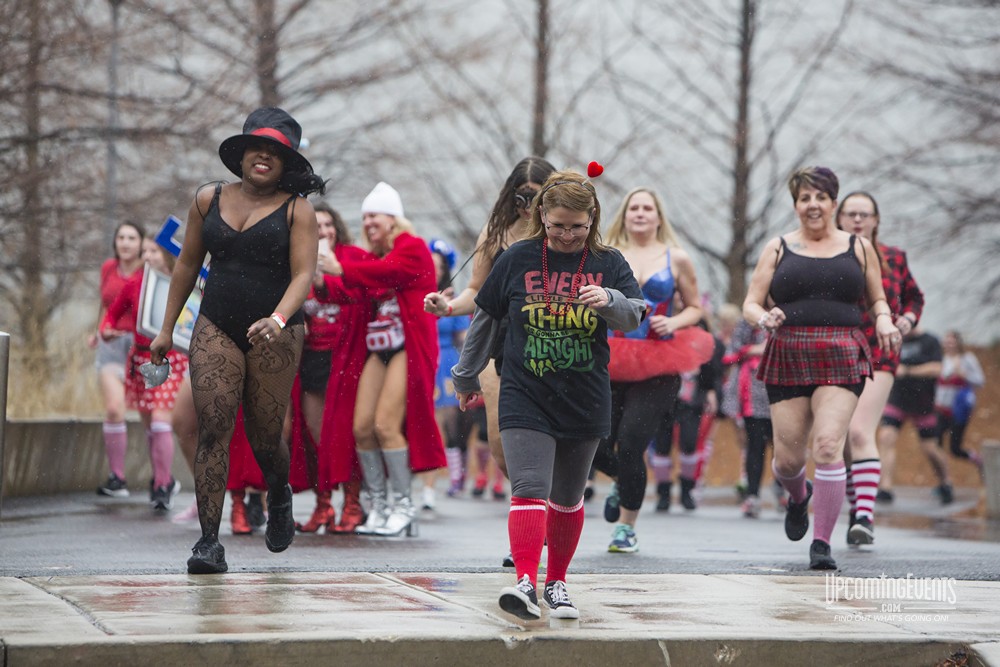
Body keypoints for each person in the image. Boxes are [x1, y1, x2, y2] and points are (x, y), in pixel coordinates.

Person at [452, 169, 646, 621]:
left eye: (577, 226)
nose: (567, 235)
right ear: (542, 215)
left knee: (567, 497)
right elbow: (486, 320)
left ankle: (556, 583)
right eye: (558, 225)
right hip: (526, 390)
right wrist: (465, 375)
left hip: (584, 394)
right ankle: (524, 582)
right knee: (529, 487)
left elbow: (634, 315)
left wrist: (610, 299)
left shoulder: (609, 261)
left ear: (591, 219)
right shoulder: (517, 258)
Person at [150, 107, 324, 574]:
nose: (264, 156)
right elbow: (187, 264)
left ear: (286, 164)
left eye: (275, 152)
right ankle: (209, 542)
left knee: (265, 436)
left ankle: (279, 492)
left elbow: (304, 274)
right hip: (216, 325)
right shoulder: (208, 199)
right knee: (214, 426)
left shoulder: (298, 210)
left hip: (276, 332)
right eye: (256, 148)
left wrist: (279, 318)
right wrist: (166, 329)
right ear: (242, 155)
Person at [743, 166, 900, 571]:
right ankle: (799, 497)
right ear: (796, 204)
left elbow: (877, 298)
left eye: (821, 197)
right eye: (804, 198)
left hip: (843, 351)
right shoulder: (778, 247)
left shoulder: (858, 247)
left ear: (834, 203)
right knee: (787, 462)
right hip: (788, 351)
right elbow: (751, 303)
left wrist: (884, 320)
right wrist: (764, 318)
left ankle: (822, 543)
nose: (813, 205)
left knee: (829, 445)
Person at [324, 182, 445, 537]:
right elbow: (356, 288)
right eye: (364, 217)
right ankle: (378, 506)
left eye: (374, 215)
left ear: (393, 218)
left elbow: (384, 274)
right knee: (362, 426)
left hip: (408, 347)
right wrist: (319, 279)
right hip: (381, 347)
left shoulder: (413, 248)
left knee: (386, 425)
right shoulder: (376, 258)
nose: (368, 223)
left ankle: (404, 507)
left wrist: (339, 267)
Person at [424, 157, 556, 479]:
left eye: (536, 197)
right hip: (500, 346)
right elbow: (476, 290)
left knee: (553, 440)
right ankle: (530, 499)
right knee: (502, 446)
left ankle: (550, 502)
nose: (527, 207)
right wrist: (448, 307)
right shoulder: (495, 233)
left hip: (551, 345)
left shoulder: (563, 233)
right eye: (521, 197)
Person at [591, 187, 704, 553]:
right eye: (634, 207)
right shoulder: (604, 254)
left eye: (647, 208)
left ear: (658, 217)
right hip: (608, 357)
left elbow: (695, 307)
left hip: (658, 360)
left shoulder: (677, 257)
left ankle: (626, 527)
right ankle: (622, 482)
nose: (640, 213)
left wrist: (675, 322)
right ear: (624, 215)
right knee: (596, 444)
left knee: (632, 444)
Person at [836, 191, 924, 546]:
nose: (858, 220)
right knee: (841, 440)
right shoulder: (829, 257)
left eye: (865, 214)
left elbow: (915, 297)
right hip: (837, 353)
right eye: (851, 213)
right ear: (839, 218)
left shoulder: (893, 257)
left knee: (860, 432)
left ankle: (864, 516)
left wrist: (908, 319)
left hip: (880, 352)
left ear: (875, 220)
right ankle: (856, 506)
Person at [289, 202, 371, 534]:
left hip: (346, 358)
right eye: (316, 226)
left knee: (344, 436)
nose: (323, 231)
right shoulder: (298, 263)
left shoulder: (351, 258)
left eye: (327, 225)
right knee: (315, 436)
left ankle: (352, 504)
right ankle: (323, 506)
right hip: (312, 360)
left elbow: (364, 295)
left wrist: (331, 274)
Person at [100, 238, 187, 510]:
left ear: (167, 255)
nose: (147, 256)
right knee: (150, 423)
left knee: (161, 419)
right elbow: (112, 314)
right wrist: (106, 330)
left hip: (170, 357)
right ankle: (163, 479)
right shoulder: (136, 283)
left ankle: (161, 486)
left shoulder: (182, 283)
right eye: (145, 251)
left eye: (153, 251)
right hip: (140, 357)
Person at [92, 221, 145, 497]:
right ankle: (117, 477)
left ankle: (162, 480)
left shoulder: (148, 271)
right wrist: (98, 331)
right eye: (121, 237)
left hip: (141, 346)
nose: (125, 243)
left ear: (141, 243)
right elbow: (105, 305)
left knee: (153, 415)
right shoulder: (108, 268)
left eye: (131, 238)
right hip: (111, 344)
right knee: (114, 408)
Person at [879, 327, 953, 503]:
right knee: (886, 437)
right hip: (898, 400)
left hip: (923, 404)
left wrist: (908, 371)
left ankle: (946, 481)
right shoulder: (896, 339)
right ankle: (885, 488)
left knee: (930, 448)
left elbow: (937, 368)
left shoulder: (930, 341)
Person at [428, 238, 472, 506]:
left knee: (450, 422)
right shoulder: (417, 294)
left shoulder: (453, 298)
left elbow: (463, 337)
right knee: (429, 420)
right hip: (424, 357)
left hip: (445, 360)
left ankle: (456, 476)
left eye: (440, 266)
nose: (435, 270)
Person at [723, 318, 773, 518]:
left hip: (782, 390)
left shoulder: (790, 313)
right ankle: (752, 495)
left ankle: (786, 491)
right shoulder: (749, 320)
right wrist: (755, 350)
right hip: (752, 393)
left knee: (785, 447)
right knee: (755, 445)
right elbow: (731, 354)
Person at [935, 330, 985, 470]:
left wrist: (964, 374)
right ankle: (944, 476)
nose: (949, 344)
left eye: (952, 341)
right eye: (947, 341)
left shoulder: (967, 359)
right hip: (941, 409)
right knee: (935, 443)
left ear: (958, 343)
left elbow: (980, 381)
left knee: (955, 449)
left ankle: (978, 460)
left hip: (959, 409)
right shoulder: (941, 359)